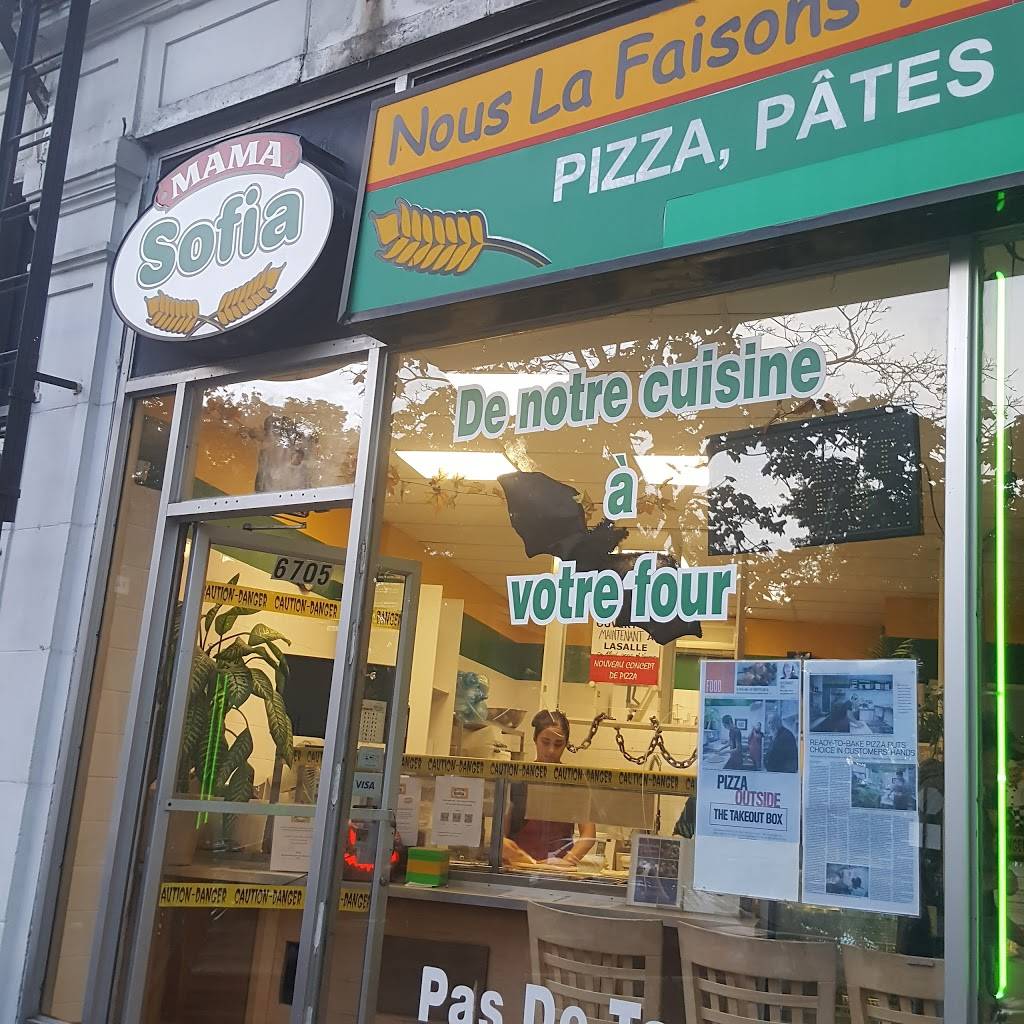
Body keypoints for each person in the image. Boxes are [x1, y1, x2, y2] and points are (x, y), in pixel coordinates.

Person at [503, 710, 597, 867]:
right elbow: (501, 834)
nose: (551, 750)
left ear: (566, 744)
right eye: (545, 742)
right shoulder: (517, 778)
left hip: (556, 871)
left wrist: (566, 862)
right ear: (535, 739)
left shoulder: (574, 781)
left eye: (558, 744)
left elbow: (589, 834)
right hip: (518, 868)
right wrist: (514, 853)